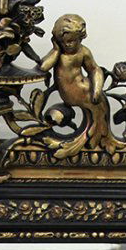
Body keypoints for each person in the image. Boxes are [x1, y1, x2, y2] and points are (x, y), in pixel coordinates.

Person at [40, 14, 118, 156]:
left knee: (99, 116)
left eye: (72, 41)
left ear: (80, 38)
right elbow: (43, 67)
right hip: (70, 94)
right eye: (63, 42)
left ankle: (101, 140)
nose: (67, 45)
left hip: (86, 91)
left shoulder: (83, 52)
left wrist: (97, 89)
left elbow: (95, 69)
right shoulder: (58, 54)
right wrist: (56, 49)